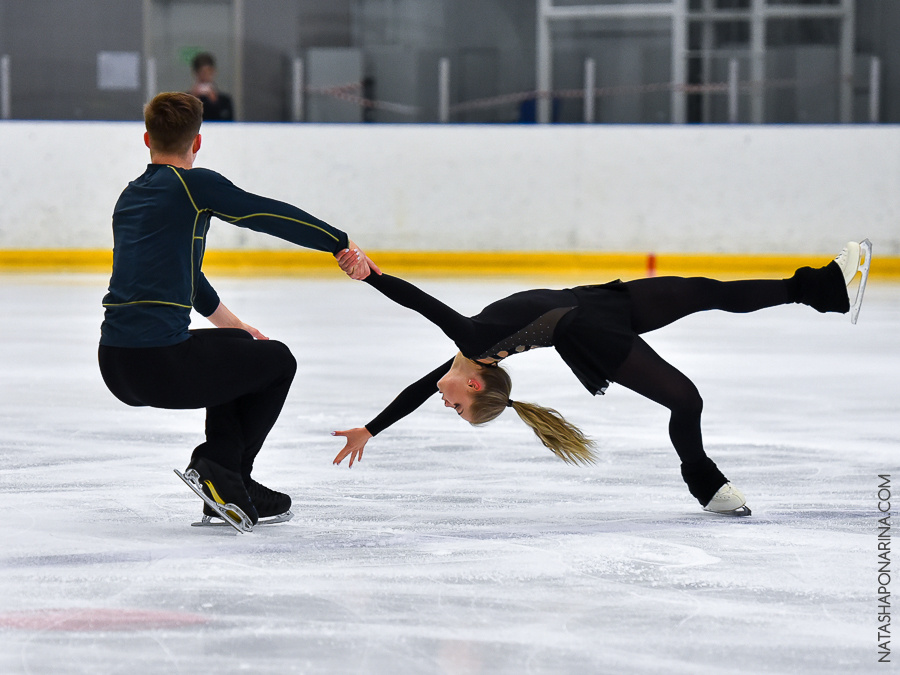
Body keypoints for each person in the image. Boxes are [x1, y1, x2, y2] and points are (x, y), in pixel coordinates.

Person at [332, 242, 872, 516]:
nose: (441, 400)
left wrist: (372, 429)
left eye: (451, 407)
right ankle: (705, 483)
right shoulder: (478, 349)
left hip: (598, 303)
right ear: (476, 385)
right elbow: (420, 332)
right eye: (455, 409)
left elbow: (419, 317)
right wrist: (372, 277)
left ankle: (824, 288)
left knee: (708, 290)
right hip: (593, 331)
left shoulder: (474, 349)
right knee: (686, 399)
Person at [99, 91, 378, 530]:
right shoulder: (194, 185)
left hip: (116, 362)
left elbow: (182, 274)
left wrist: (236, 326)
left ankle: (226, 486)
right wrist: (338, 242)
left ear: (147, 138)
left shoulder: (130, 195)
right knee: (279, 361)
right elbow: (264, 214)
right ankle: (223, 470)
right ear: (197, 143)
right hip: (158, 363)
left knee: (239, 347)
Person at [189, 52, 233, 121]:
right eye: (202, 72)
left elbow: (228, 122)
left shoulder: (225, 100)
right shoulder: (186, 99)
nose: (205, 76)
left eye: (209, 72)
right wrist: (192, 99)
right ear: (196, 73)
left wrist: (215, 101)